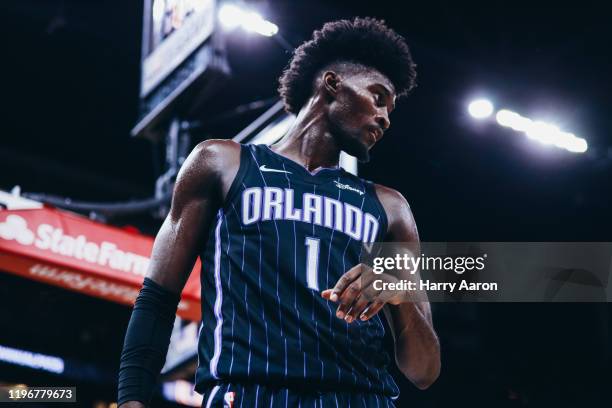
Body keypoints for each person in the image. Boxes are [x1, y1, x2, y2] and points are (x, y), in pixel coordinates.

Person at [118, 17, 440, 408]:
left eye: (391, 108)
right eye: (378, 96)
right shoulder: (220, 163)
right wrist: (131, 399)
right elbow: (157, 299)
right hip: (250, 392)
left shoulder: (391, 208)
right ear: (332, 83)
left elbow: (424, 370)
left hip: (360, 398)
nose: (386, 117)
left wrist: (396, 291)